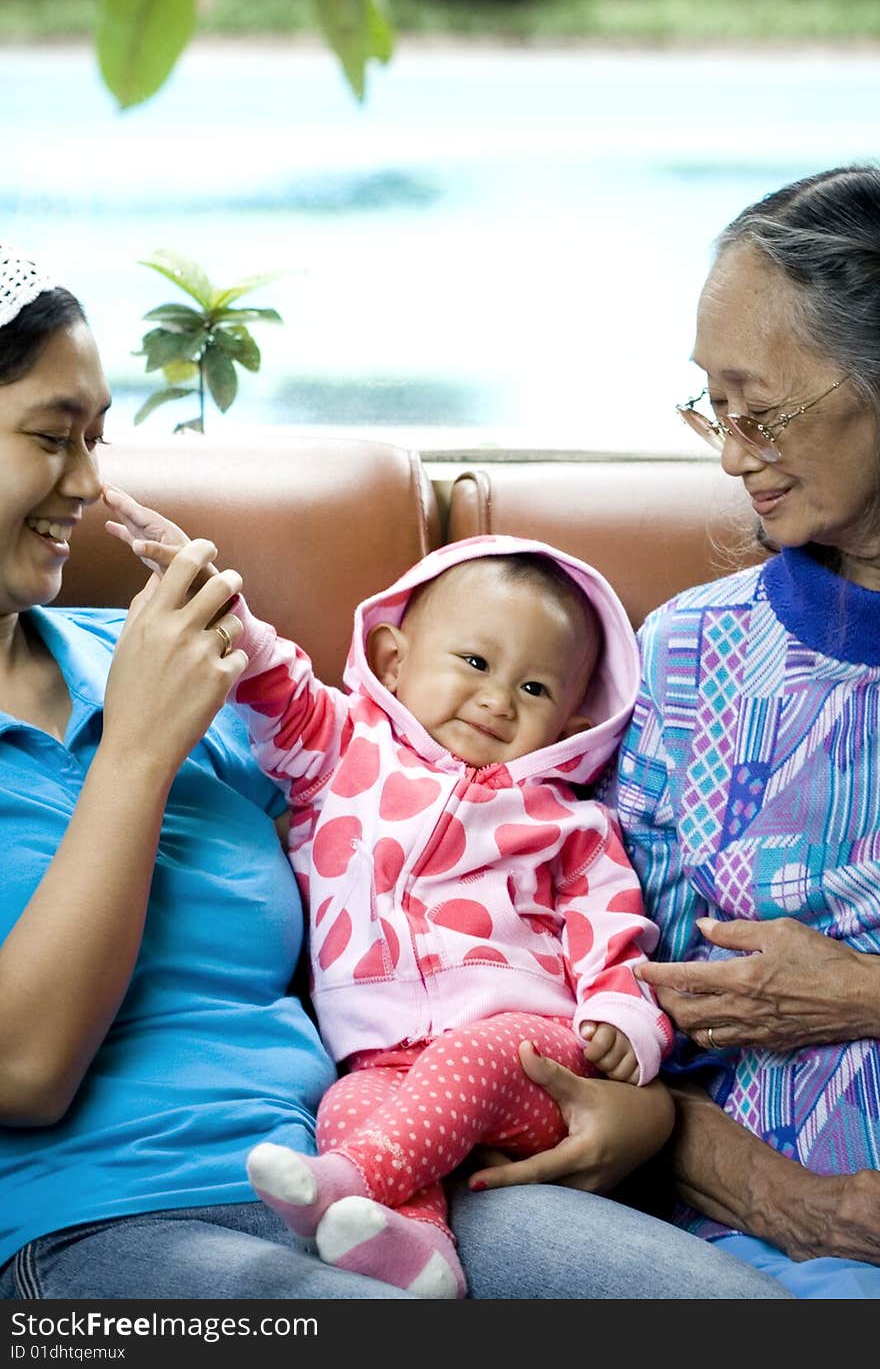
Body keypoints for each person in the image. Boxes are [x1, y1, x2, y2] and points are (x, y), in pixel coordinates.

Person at [0, 239, 791, 1303]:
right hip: (95, 1219)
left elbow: (399, 827)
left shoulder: (154, 651)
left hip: (403, 1170)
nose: (94, 485)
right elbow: (24, 1074)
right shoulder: (156, 687)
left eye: (100, 438)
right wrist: (137, 750)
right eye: (55, 437)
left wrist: (637, 1107)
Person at [474, 164, 880, 1300]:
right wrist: (778, 1196)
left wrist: (859, 992)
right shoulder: (692, 656)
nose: (729, 449)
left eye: (767, 409)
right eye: (714, 403)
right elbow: (608, 994)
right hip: (729, 1231)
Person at [104, 510, 675, 1297]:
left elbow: (610, 925)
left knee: (451, 1072)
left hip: (529, 1054)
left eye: (535, 687)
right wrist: (219, 609)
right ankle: (420, 1252)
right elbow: (278, 688)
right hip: (382, 1058)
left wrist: (624, 1018)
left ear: (574, 720)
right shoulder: (342, 752)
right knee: (347, 1103)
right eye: (474, 661)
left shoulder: (566, 819)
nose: (497, 698)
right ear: (392, 660)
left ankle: (352, 1178)